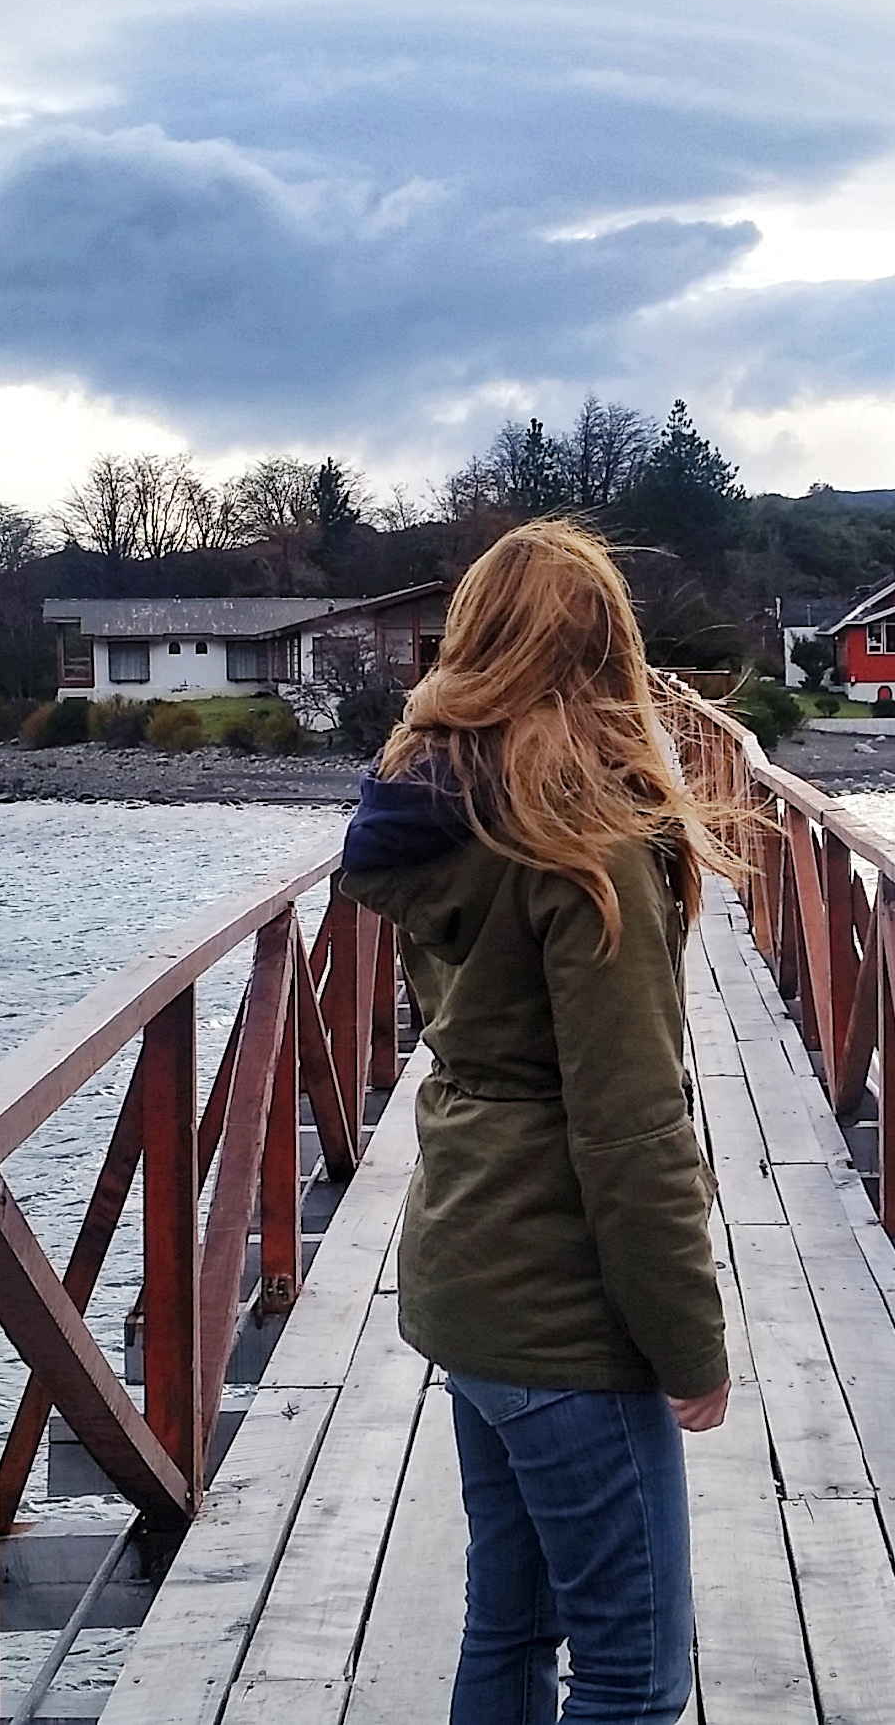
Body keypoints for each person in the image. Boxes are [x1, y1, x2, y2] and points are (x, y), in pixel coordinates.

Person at [336, 519, 748, 1725]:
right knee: (632, 1677)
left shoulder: (433, 811)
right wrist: (690, 1343)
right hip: (564, 1311)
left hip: (466, 1272)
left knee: (509, 1632)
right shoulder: (587, 850)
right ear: (606, 653)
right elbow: (630, 1129)